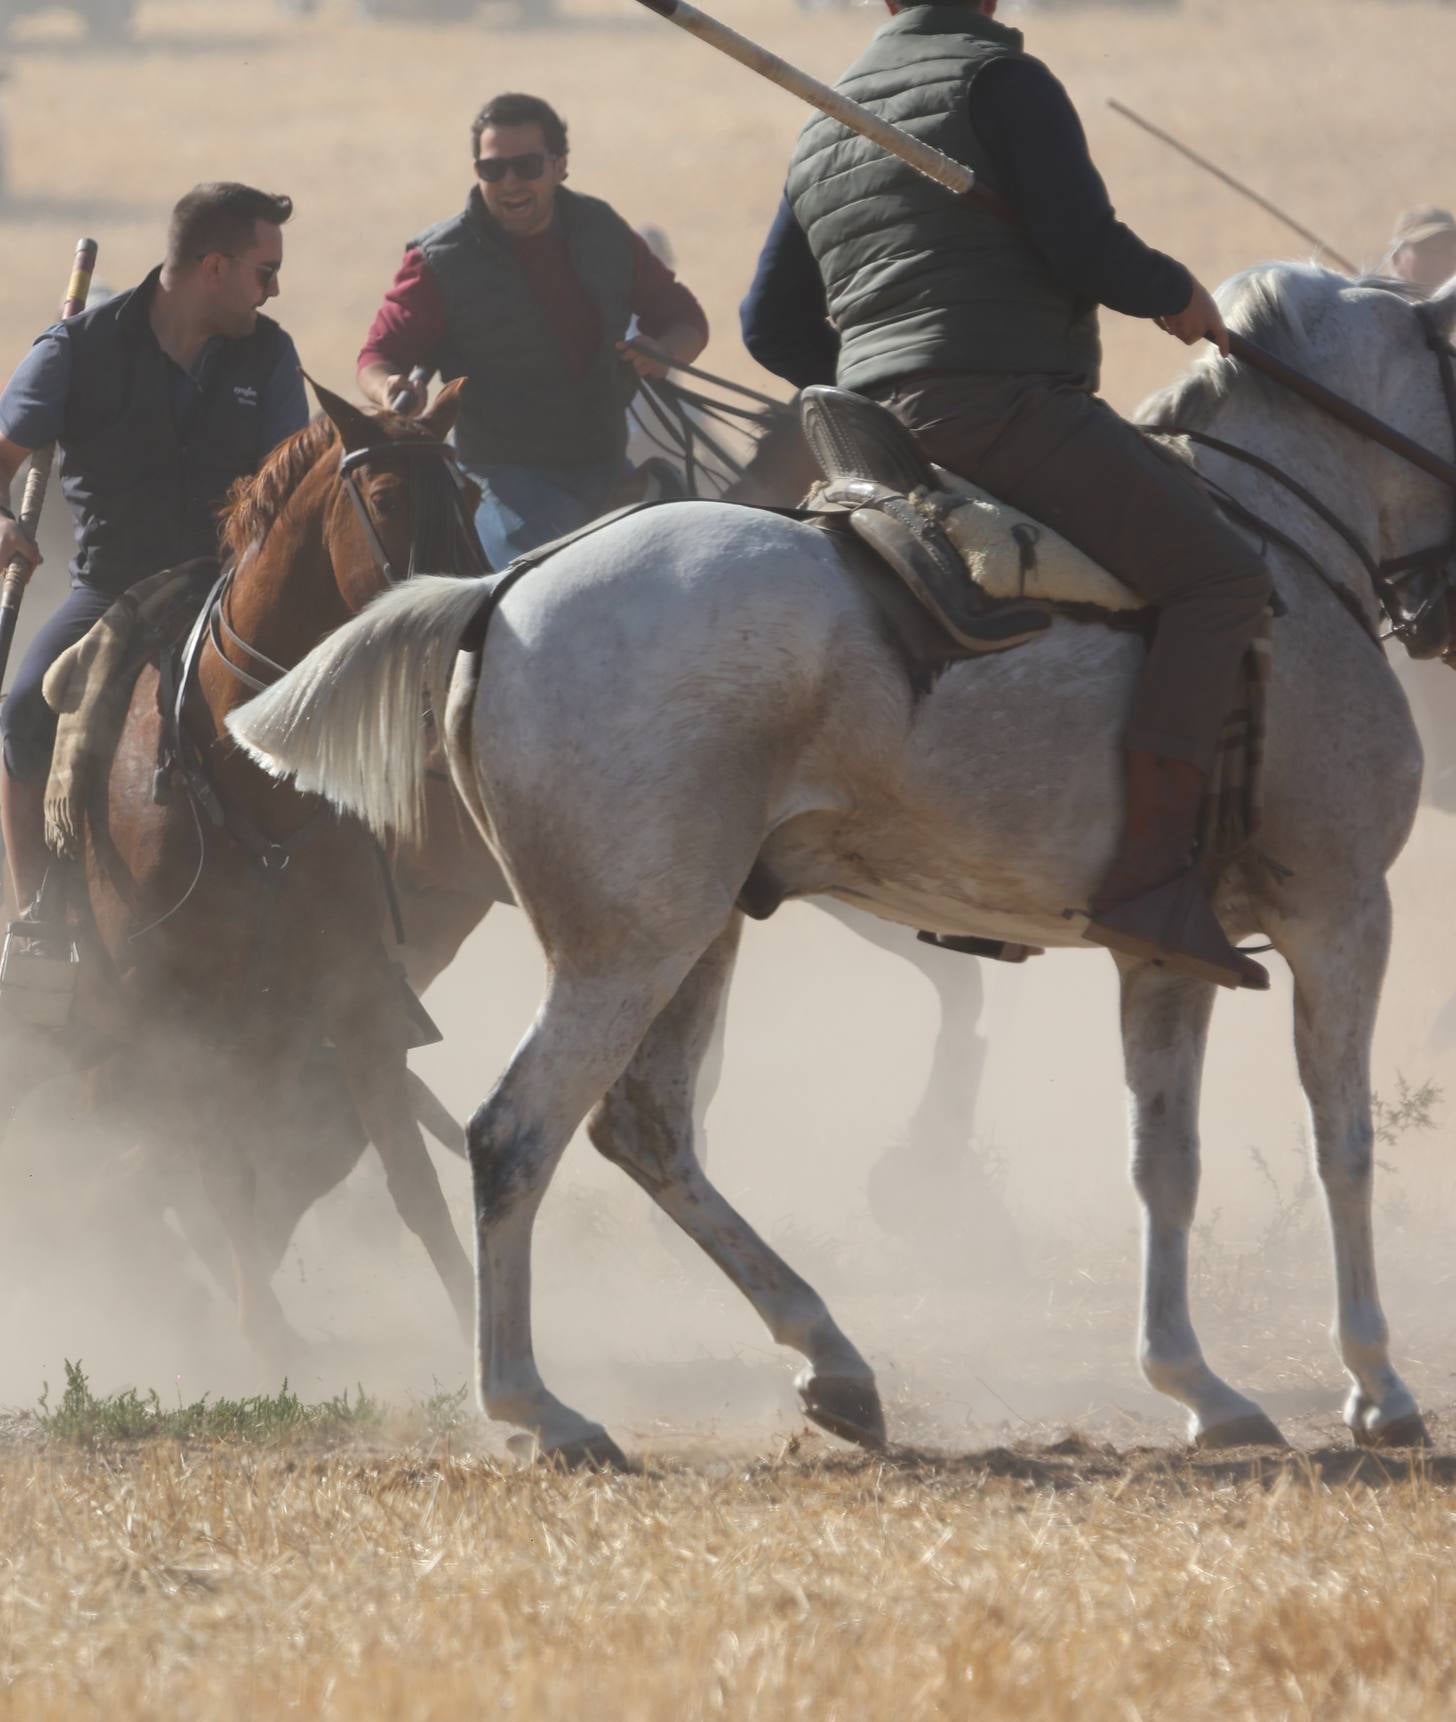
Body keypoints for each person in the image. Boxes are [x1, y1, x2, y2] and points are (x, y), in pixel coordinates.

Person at [738, 0, 1267, 989]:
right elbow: (1079, 244)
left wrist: (874, 366)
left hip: (870, 436)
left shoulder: (829, 116)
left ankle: (995, 870)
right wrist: (1174, 290)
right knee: (1222, 580)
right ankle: (1149, 876)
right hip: (1002, 408)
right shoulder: (1002, 81)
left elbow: (767, 323)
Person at [0, 180, 307, 917]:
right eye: (263, 273)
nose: (272, 293)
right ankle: (34, 916)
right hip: (112, 586)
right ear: (215, 267)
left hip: (230, 587)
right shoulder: (76, 350)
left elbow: (293, 490)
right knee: (22, 710)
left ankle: (355, 930)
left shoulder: (269, 357)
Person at [355, 93, 707, 563]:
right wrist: (389, 389)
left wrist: (663, 353)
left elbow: (687, 321)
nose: (510, 183)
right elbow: (376, 358)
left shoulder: (603, 231)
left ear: (560, 166)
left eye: (527, 166)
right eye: (493, 170)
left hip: (607, 469)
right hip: (500, 483)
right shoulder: (439, 261)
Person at [1380, 206, 1456, 292]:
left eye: (1448, 251)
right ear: (1396, 257)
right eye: (1427, 250)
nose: (1440, 260)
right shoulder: (1374, 302)